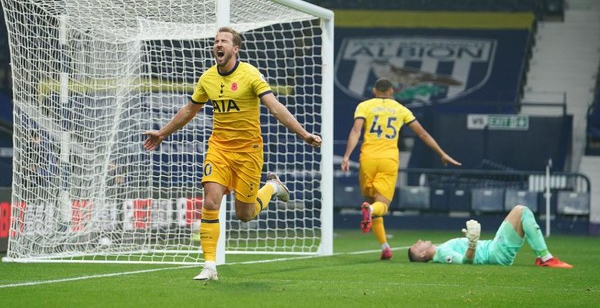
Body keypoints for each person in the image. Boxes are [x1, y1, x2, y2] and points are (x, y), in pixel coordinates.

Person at [143, 26, 321, 281]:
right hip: (219, 149)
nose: (218, 44)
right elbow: (189, 111)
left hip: (249, 151)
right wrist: (162, 133)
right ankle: (209, 265)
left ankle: (271, 186)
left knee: (244, 215)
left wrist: (303, 134)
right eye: (216, 41)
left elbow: (275, 107)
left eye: (224, 41)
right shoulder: (208, 78)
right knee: (211, 201)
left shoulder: (250, 74)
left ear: (235, 49)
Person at [340, 78, 461, 260]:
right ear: (391, 91)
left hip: (367, 159)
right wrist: (441, 153)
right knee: (381, 206)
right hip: (388, 159)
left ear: (374, 91)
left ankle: (385, 247)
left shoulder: (364, 106)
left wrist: (347, 156)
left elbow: (356, 131)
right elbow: (422, 133)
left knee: (371, 201)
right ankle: (371, 214)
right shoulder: (401, 109)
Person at [408, 205, 573, 268]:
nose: (419, 241)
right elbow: (465, 263)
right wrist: (472, 243)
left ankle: (542, 257)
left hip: (494, 248)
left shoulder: (440, 250)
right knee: (521, 211)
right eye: (417, 246)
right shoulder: (443, 254)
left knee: (520, 212)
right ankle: (545, 258)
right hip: (495, 253)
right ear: (422, 254)